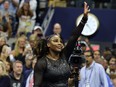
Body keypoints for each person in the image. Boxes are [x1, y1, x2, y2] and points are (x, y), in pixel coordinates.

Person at [34, 2, 90, 87]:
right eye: (55, 41)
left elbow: (74, 37)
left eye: (60, 41)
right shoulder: (42, 63)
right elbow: (37, 85)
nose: (59, 43)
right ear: (48, 44)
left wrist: (84, 19)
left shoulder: (64, 55)